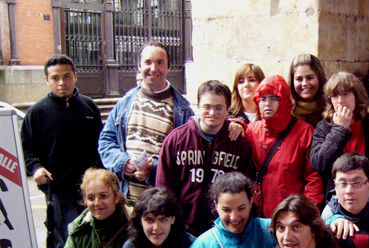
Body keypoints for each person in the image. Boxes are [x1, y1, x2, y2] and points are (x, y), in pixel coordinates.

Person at [21, 54, 103, 248]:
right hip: (60, 193)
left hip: (92, 191)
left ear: (75, 76)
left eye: (66, 76)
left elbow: (100, 146)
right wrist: (36, 168)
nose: (61, 82)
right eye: (55, 78)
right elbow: (27, 149)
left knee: (97, 244)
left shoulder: (89, 106)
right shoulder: (36, 113)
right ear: (47, 80)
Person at [99, 41, 195, 201]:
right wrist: (123, 163)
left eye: (160, 63)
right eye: (148, 62)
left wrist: (154, 169)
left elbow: (188, 157)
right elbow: (106, 141)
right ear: (139, 66)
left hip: (161, 203)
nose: (153, 68)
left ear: (169, 67)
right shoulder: (124, 104)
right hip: (127, 201)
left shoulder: (182, 111)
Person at [156, 80, 254, 236]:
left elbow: (247, 189)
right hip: (184, 230)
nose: (212, 113)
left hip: (224, 229)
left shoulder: (239, 144)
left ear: (228, 108)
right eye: (207, 107)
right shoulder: (176, 140)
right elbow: (164, 188)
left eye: (219, 108)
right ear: (197, 106)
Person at [245, 75, 324, 218]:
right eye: (262, 99)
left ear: (285, 101)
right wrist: (235, 124)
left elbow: (314, 178)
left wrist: (307, 215)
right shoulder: (251, 131)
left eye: (274, 98)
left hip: (291, 215)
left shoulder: (304, 132)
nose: (267, 104)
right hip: (257, 216)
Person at [310, 71, 369, 193]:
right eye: (335, 96)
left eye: (345, 94)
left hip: (368, 194)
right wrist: (339, 130)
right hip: (336, 195)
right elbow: (319, 164)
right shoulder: (323, 127)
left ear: (356, 96)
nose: (340, 101)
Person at [288, 54, 328, 127]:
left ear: (319, 78)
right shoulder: (286, 110)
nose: (304, 84)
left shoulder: (331, 107)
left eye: (310, 78)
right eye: (299, 79)